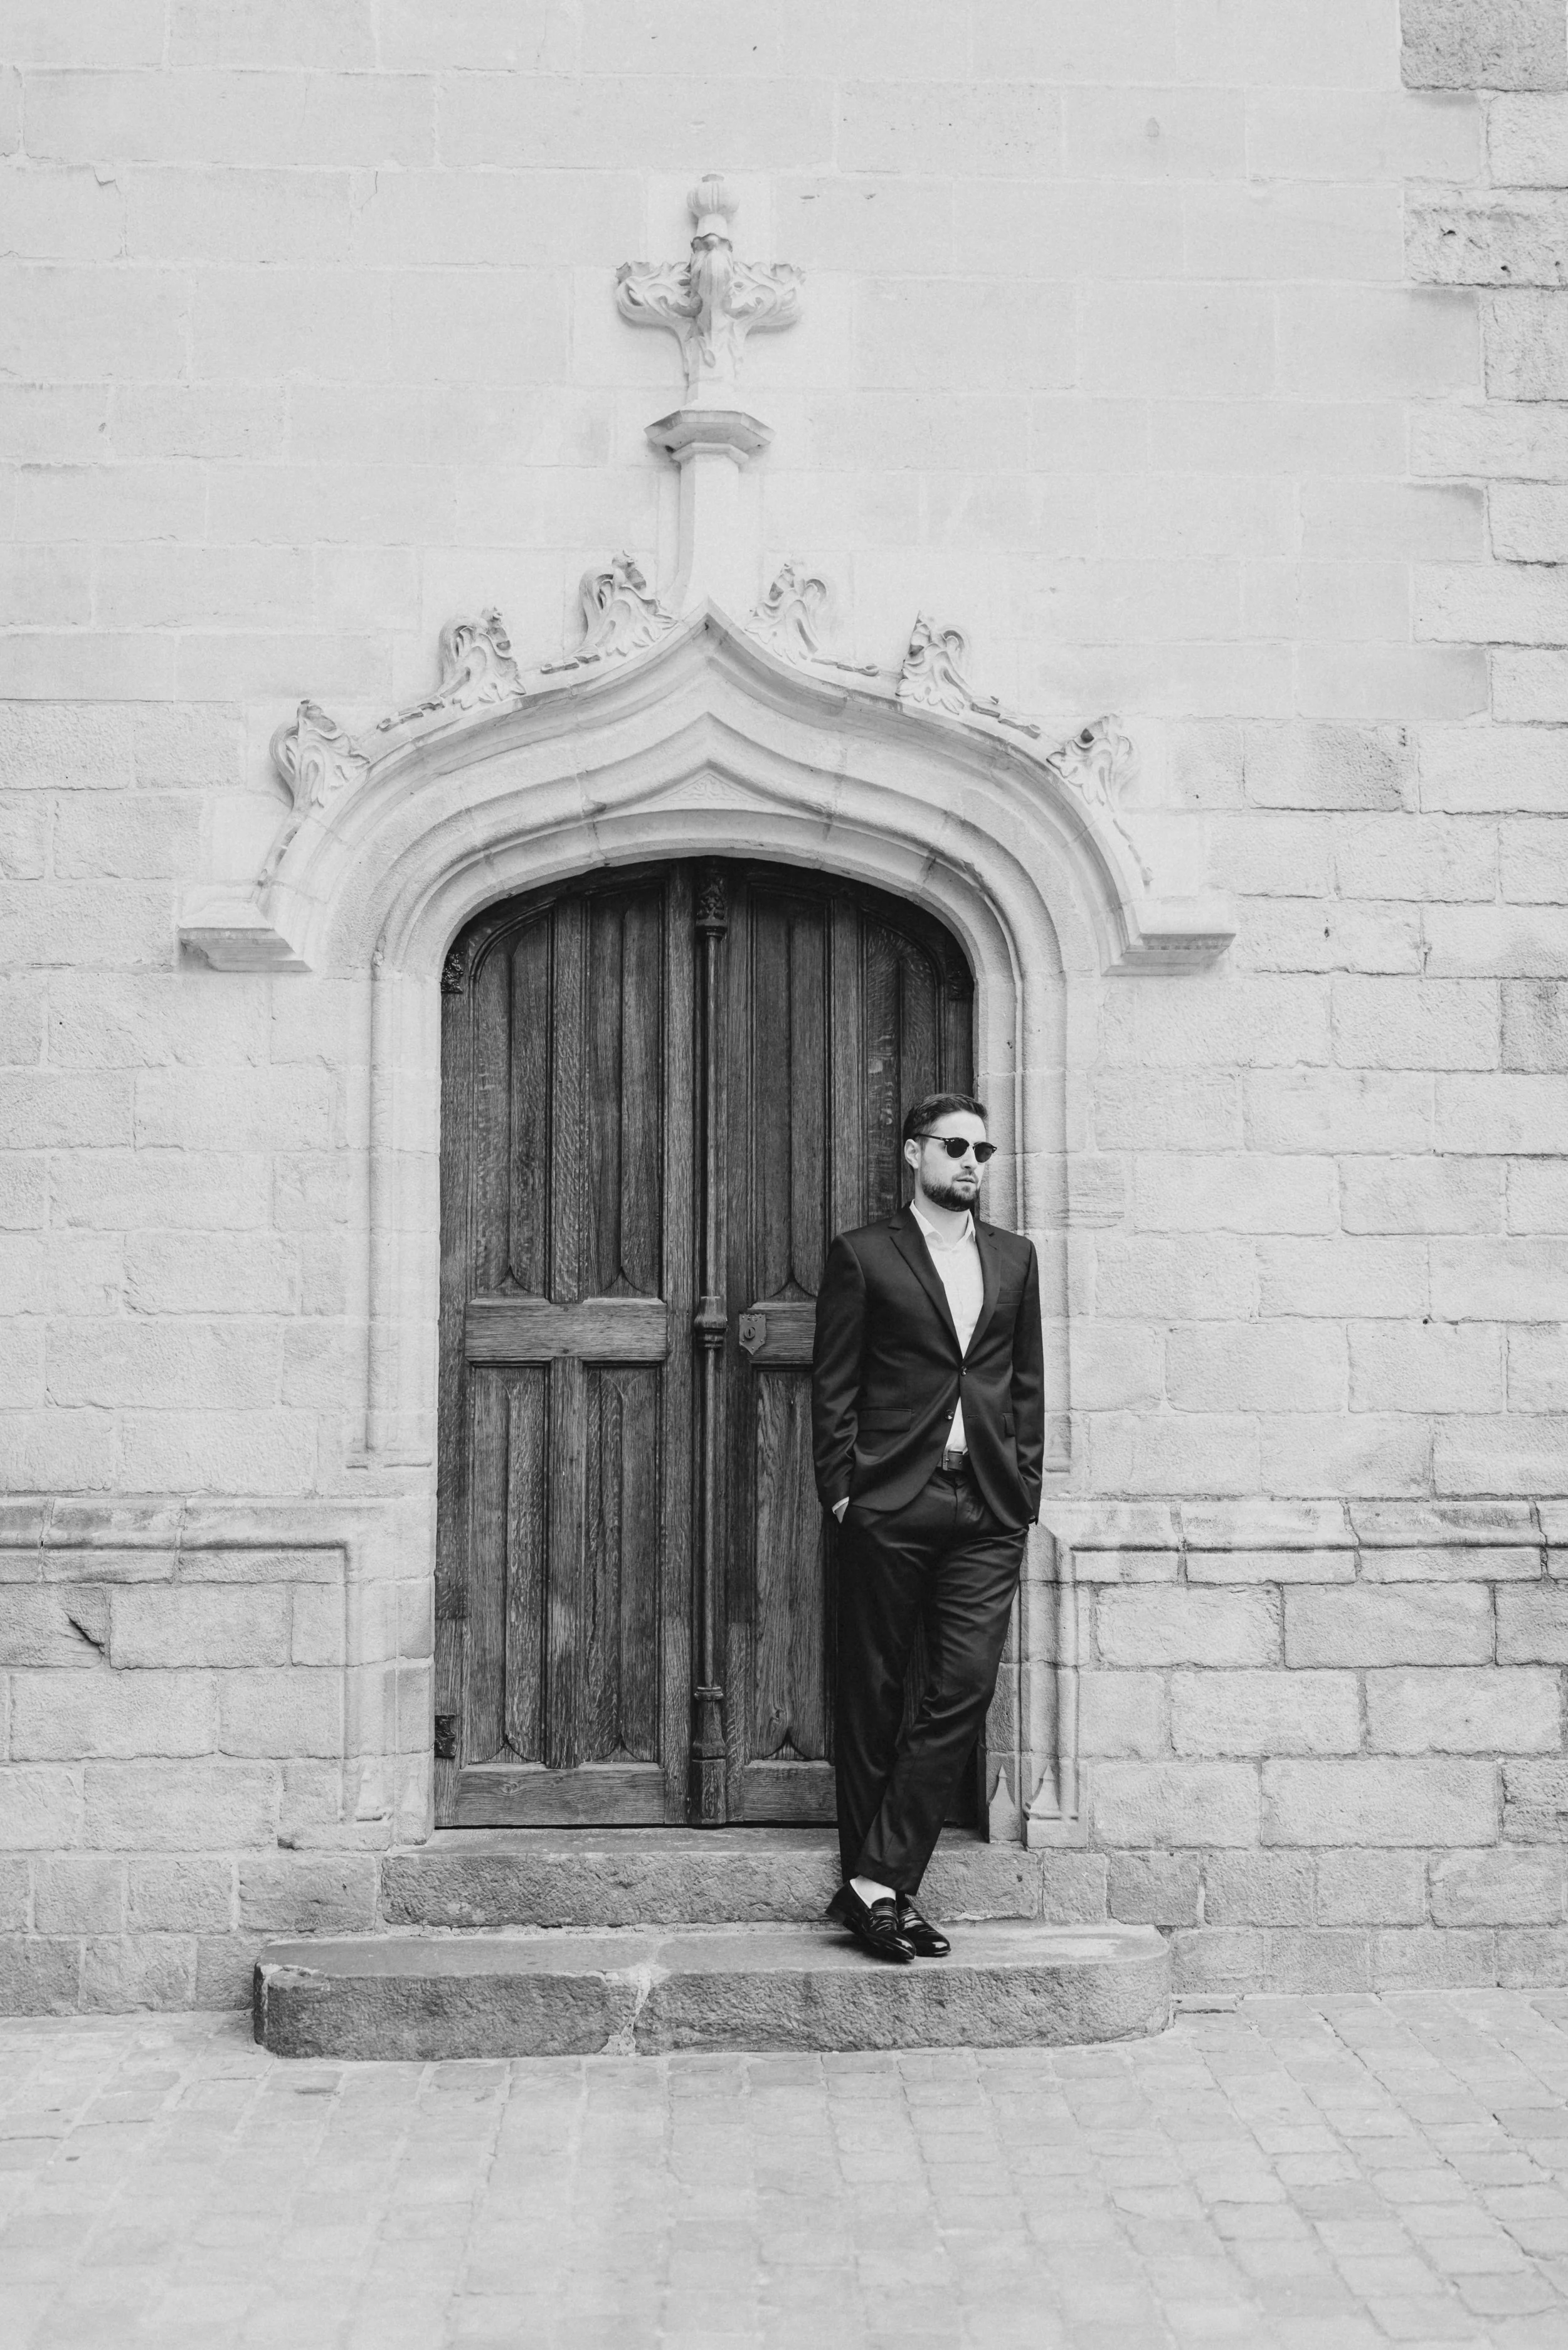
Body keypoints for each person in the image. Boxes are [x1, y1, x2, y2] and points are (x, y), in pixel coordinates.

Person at [810, 1092, 1045, 1964]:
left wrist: (1022, 1491)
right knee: (872, 1693)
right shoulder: (865, 1255)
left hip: (985, 1505)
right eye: (955, 1146)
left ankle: (875, 1882)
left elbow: (1026, 1385)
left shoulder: (1016, 1259)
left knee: (961, 1689)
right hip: (892, 1501)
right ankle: (883, 1892)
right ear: (914, 1153)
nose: (973, 1162)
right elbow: (832, 1384)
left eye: (983, 1148)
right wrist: (843, 1492)